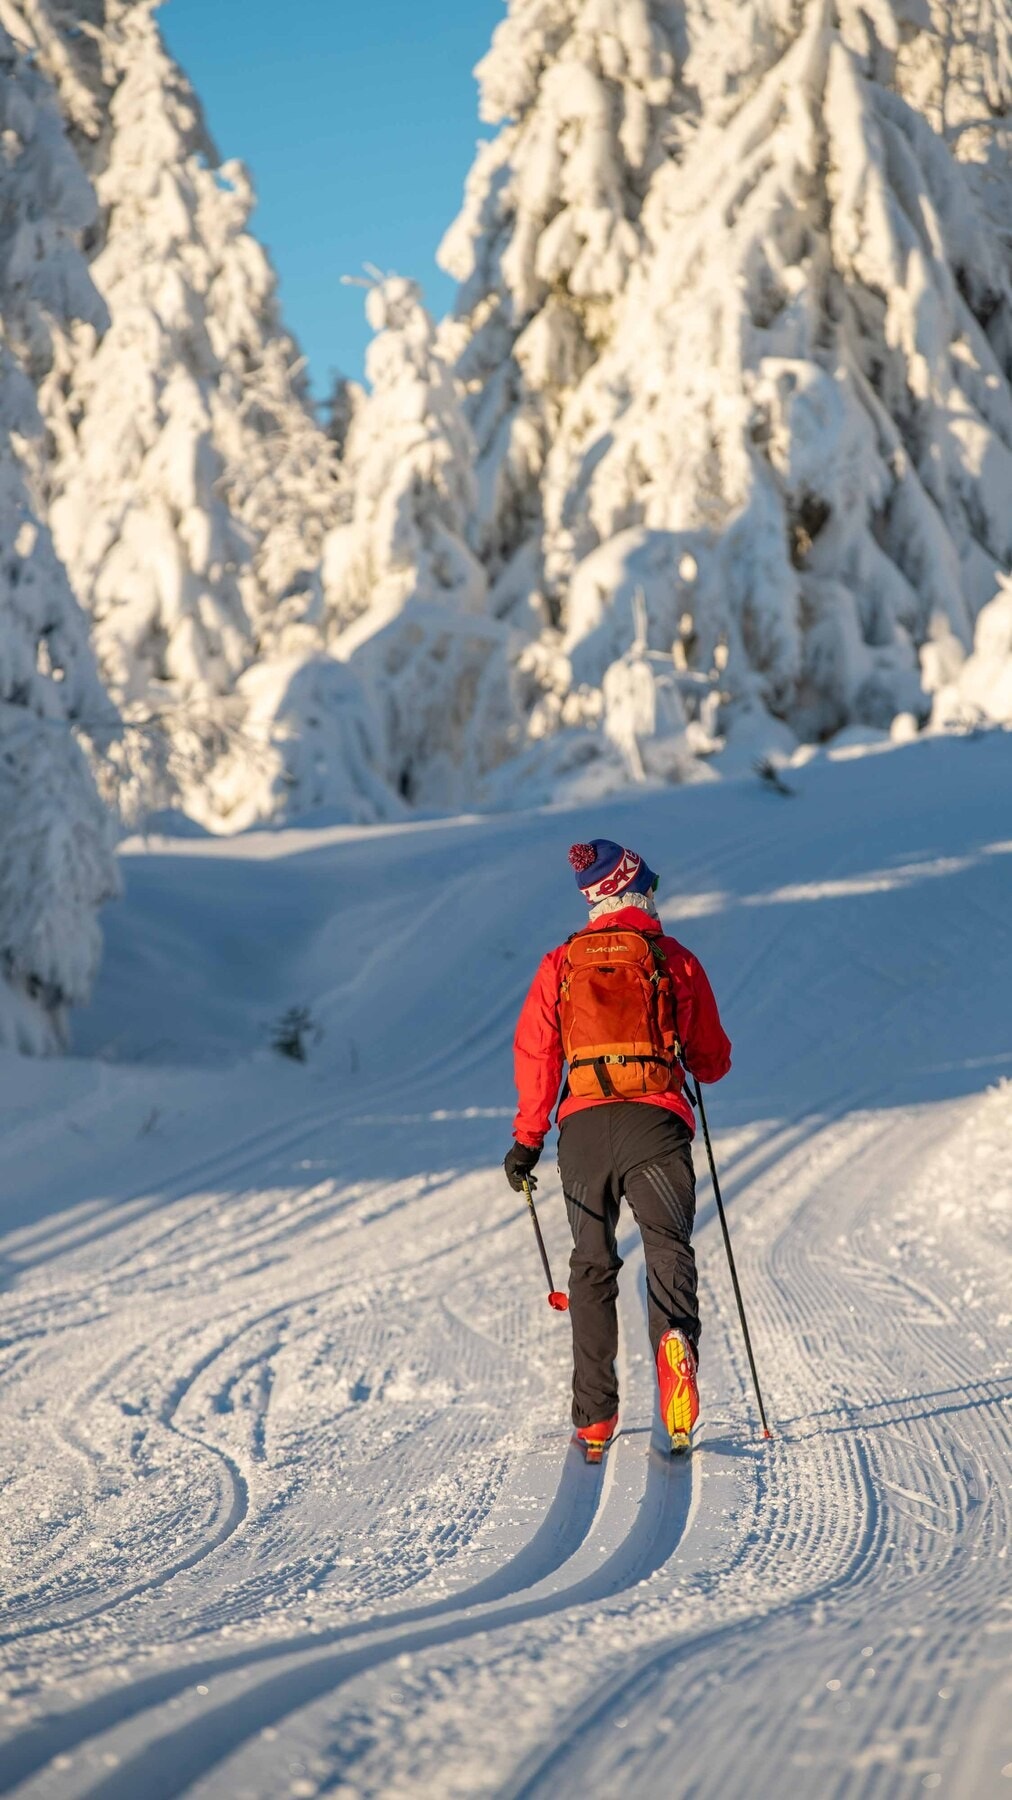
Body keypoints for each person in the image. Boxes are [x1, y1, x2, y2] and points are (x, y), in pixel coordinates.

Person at [504, 839, 731, 1455]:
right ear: (638, 890)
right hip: (655, 1126)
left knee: (592, 1263)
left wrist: (527, 1139)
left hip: (582, 1133)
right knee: (667, 1247)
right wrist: (692, 1059)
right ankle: (674, 1344)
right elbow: (712, 1060)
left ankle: (595, 1417)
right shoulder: (671, 957)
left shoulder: (560, 963)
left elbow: (536, 1056)